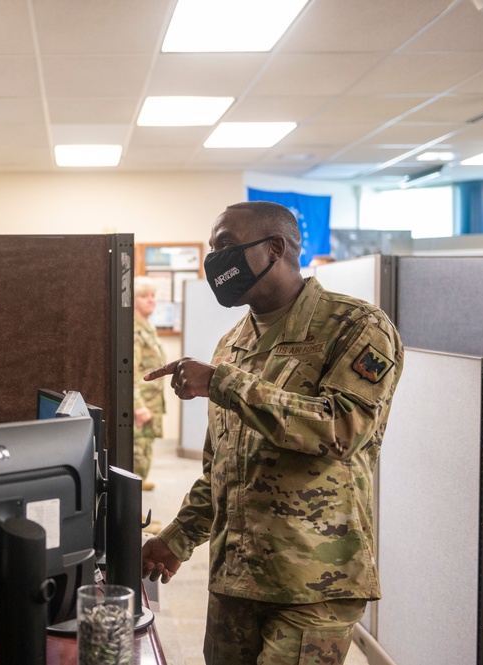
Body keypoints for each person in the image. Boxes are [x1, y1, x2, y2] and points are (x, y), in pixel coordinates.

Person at [141, 201, 403, 665]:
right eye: (211, 248)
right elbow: (224, 466)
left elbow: (341, 428)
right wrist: (177, 538)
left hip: (311, 584)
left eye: (225, 245)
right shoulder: (233, 344)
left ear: (275, 248)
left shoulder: (356, 326)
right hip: (235, 580)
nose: (215, 260)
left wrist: (222, 382)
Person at [133, 276, 166, 492]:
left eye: (153, 296)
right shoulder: (134, 331)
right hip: (141, 402)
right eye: (145, 296)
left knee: (145, 449)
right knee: (137, 453)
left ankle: (140, 483)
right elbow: (130, 372)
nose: (151, 300)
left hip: (152, 400)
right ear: (133, 300)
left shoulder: (148, 327)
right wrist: (138, 406)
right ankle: (133, 517)